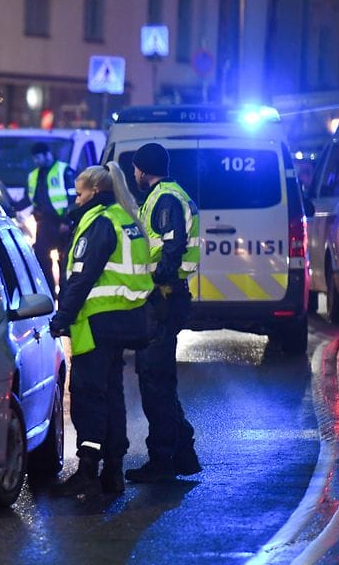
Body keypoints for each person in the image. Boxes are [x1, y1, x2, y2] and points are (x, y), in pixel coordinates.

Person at [48, 162, 154, 498]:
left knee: (88, 398)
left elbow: (82, 277)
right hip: (125, 320)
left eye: (79, 193)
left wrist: (62, 317)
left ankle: (87, 472)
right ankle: (113, 472)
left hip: (96, 322)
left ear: (94, 191)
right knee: (113, 396)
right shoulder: (126, 219)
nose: (76, 200)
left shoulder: (98, 223)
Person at [125, 142, 203, 483]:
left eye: (135, 169)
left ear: (143, 169)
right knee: (159, 380)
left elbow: (172, 248)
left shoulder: (165, 199)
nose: (133, 175)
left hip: (163, 299)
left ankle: (163, 460)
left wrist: (155, 281)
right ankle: (182, 451)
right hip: (165, 299)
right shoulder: (164, 196)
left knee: (154, 380)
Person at [21, 142, 75, 293]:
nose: (36, 162)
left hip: (62, 224)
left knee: (63, 261)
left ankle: (65, 295)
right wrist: (11, 208)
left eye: (38, 158)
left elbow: (73, 198)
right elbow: (28, 198)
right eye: (34, 159)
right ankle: (49, 293)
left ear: (47, 154)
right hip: (44, 223)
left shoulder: (64, 171)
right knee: (41, 258)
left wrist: (67, 221)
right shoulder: (34, 175)